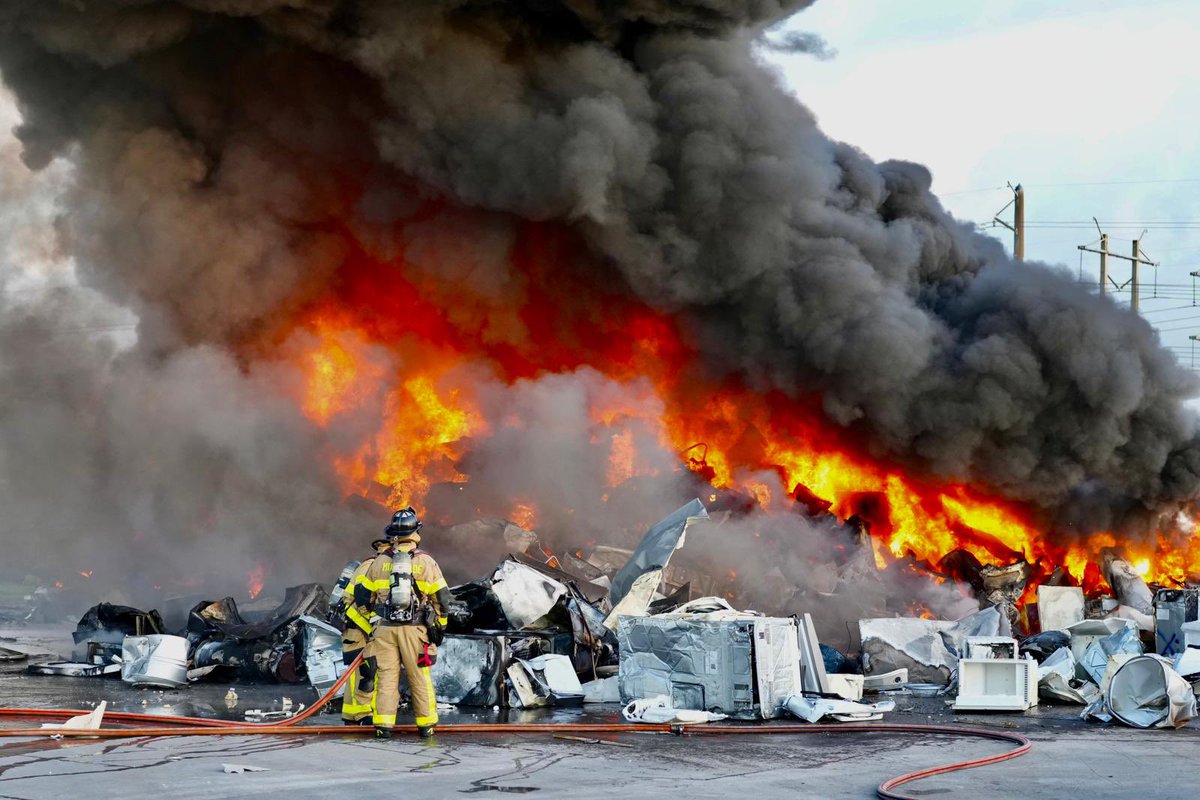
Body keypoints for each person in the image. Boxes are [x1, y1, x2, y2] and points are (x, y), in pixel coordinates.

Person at [355, 506, 450, 739]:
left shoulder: (379, 562)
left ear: (393, 535)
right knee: (419, 677)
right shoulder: (426, 562)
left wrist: (372, 622)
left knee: (386, 677)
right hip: (415, 631)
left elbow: (362, 596)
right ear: (415, 533)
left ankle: (383, 726)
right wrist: (440, 626)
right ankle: (426, 726)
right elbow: (442, 599)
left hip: (385, 631)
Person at [338, 538, 389, 725]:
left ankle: (350, 714)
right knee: (366, 671)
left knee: (354, 672)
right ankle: (362, 715)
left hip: (352, 627)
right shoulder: (376, 566)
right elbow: (363, 601)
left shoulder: (367, 564)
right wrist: (373, 630)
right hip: (358, 628)